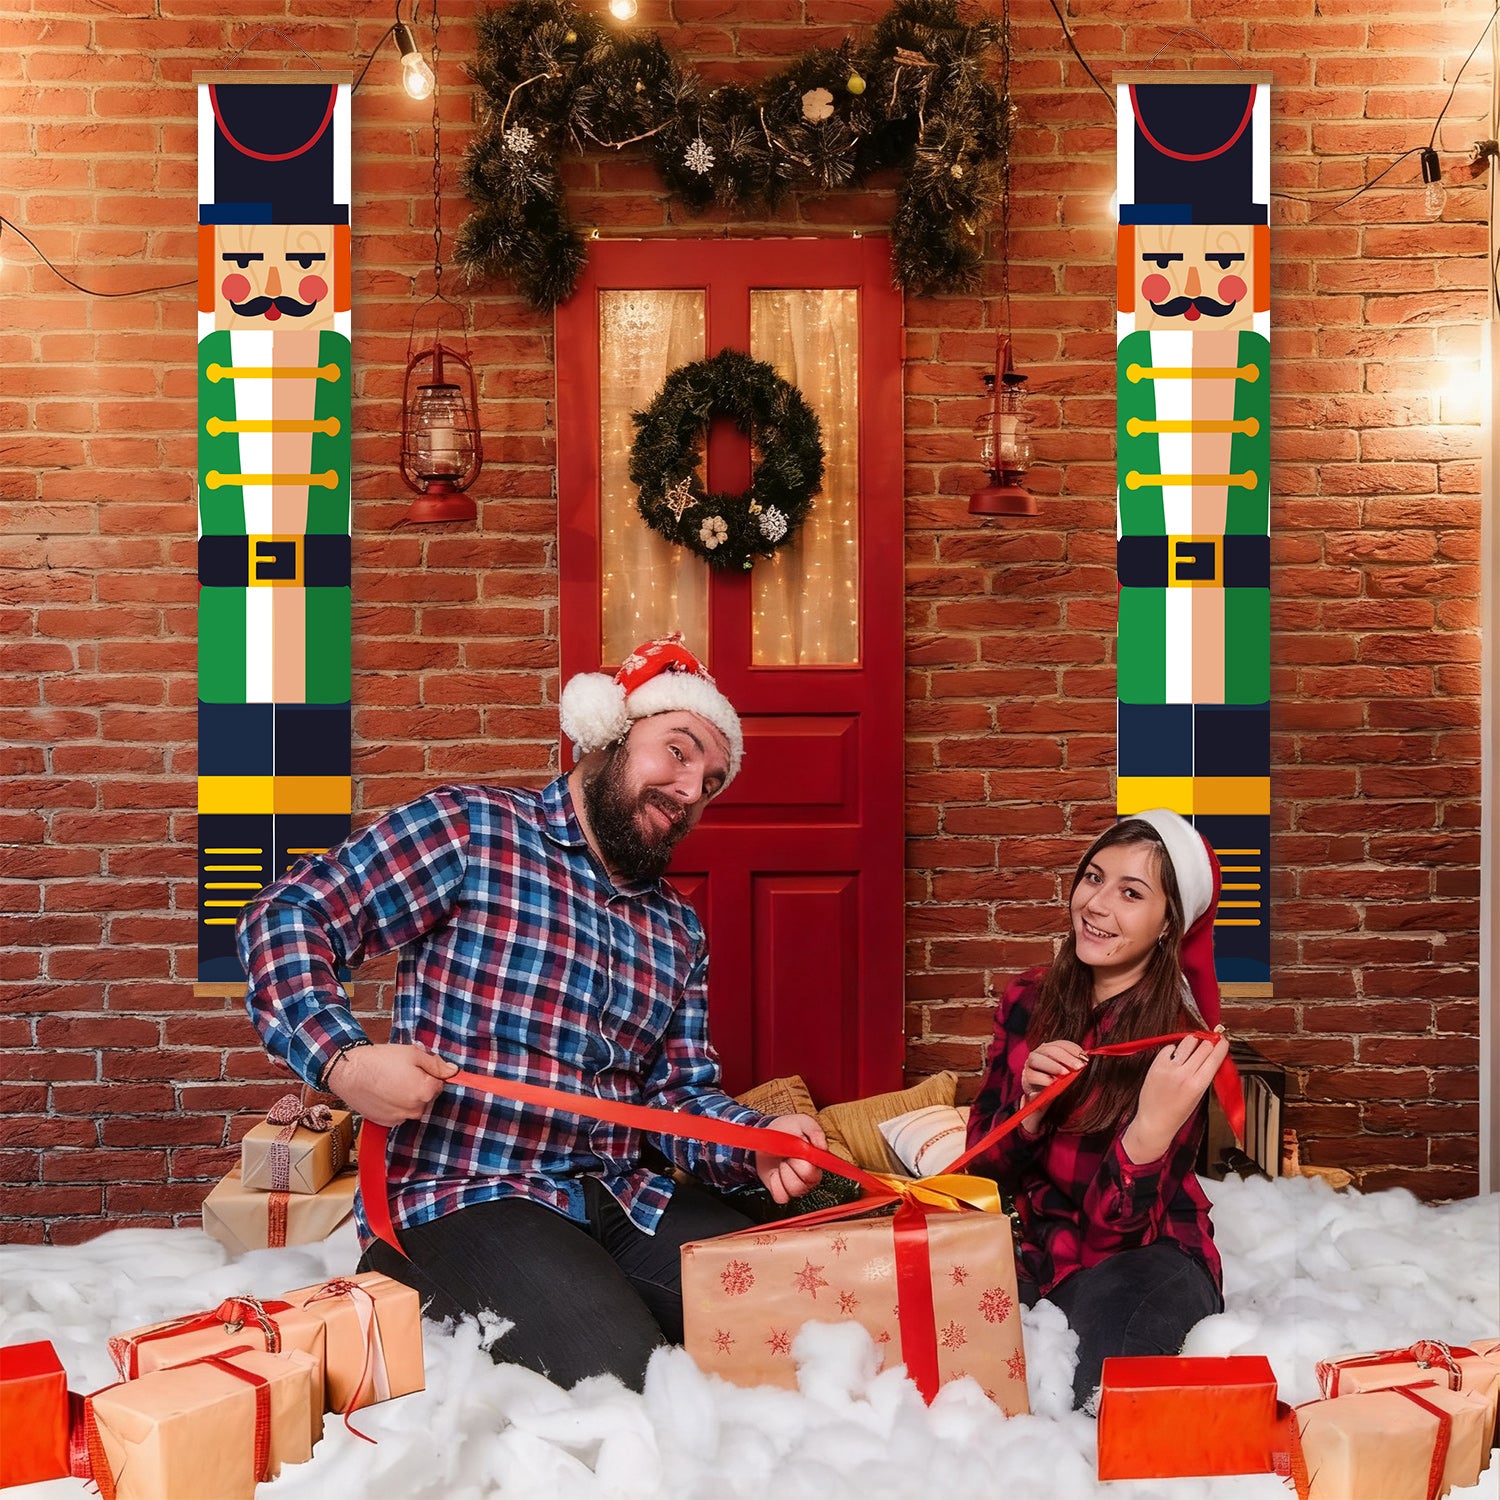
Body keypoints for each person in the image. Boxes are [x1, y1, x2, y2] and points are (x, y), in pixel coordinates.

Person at [238, 634, 825, 1391]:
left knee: (799, 1329)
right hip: (462, 1196)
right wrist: (343, 1061)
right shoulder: (470, 830)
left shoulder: (677, 929)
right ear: (610, 734)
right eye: (677, 753)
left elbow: (678, 1098)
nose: (689, 791)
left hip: (619, 1196)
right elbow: (290, 915)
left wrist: (757, 1142)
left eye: (710, 782)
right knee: (624, 1386)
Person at [963, 808, 1232, 1412]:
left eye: (1130, 892)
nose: (1096, 904)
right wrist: (1029, 1109)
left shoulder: (1182, 1043)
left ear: (1169, 923)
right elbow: (978, 1172)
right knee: (968, 1379)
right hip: (1034, 1244)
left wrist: (1151, 1130)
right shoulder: (1028, 998)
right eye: (1093, 878)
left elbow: (1118, 1231)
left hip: (1145, 1252)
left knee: (1100, 1393)